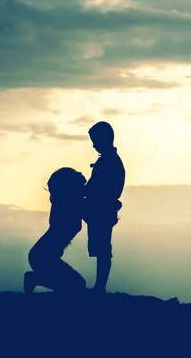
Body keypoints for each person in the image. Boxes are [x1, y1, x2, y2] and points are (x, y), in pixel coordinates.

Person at [24, 167, 88, 294]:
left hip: (43, 256)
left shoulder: (67, 204)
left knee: (77, 285)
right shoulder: (67, 206)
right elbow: (88, 209)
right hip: (42, 257)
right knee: (78, 286)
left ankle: (35, 279)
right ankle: (34, 279)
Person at [84, 121, 125, 294]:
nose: (93, 145)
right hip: (102, 210)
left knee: (103, 250)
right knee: (102, 249)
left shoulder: (109, 162)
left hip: (102, 210)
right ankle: (100, 286)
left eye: (95, 141)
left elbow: (99, 188)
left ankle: (100, 286)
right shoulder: (108, 161)